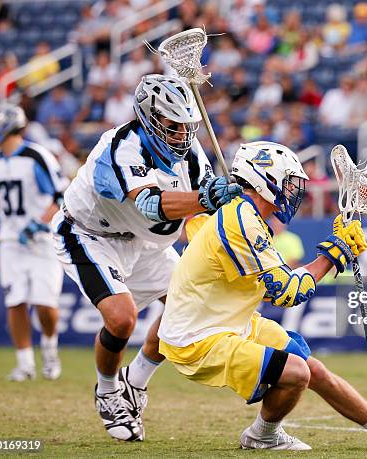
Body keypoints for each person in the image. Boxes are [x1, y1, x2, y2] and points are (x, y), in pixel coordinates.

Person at [158, 141, 367, 451]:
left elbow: (281, 278)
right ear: (263, 180)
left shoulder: (246, 218)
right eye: (288, 182)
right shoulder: (240, 221)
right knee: (297, 372)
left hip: (231, 320)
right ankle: (263, 436)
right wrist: (335, 253)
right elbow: (286, 292)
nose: (293, 191)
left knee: (315, 369)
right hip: (199, 337)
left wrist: (334, 251)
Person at [51, 74, 242, 441]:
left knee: (189, 309)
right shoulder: (122, 146)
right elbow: (153, 205)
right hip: (91, 234)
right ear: (150, 119)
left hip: (146, 244)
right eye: (173, 126)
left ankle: (135, 382)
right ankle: (108, 391)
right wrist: (206, 198)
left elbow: (201, 212)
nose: (182, 135)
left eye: (187, 126)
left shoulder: (191, 155)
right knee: (122, 320)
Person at [0, 103, 67, 381]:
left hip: (41, 240)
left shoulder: (36, 156)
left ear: (6, 126)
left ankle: (49, 350)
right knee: (14, 302)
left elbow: (61, 197)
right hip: (10, 241)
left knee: (45, 304)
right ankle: (25, 364)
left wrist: (38, 223)